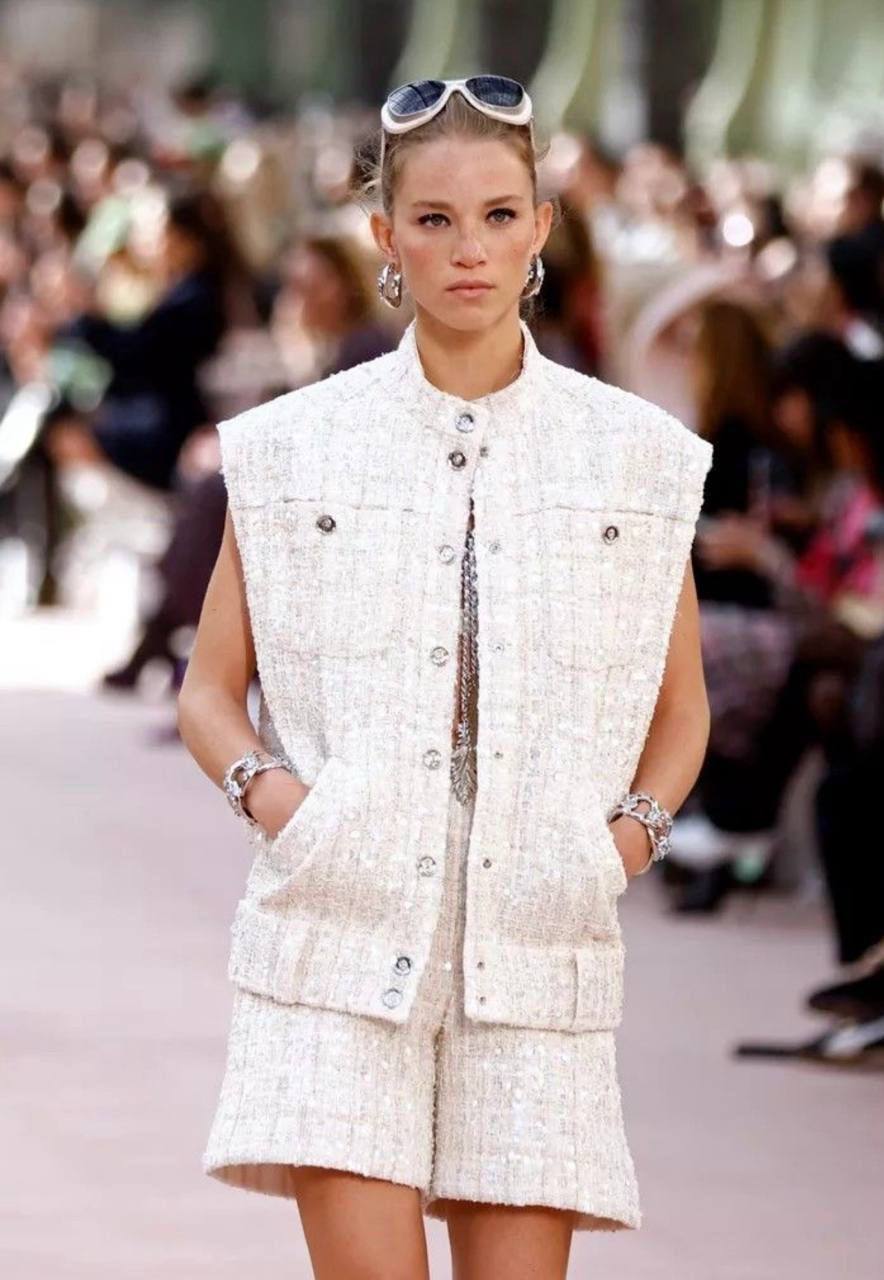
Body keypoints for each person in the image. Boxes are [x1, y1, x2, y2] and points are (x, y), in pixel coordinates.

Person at [177, 77, 712, 1276]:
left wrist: (620, 843)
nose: (468, 248)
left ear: (538, 227)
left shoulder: (636, 458)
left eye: (496, 215)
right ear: (385, 235)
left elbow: (680, 707)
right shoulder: (291, 447)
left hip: (538, 944)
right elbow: (210, 688)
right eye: (433, 218)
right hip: (336, 934)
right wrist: (285, 807)